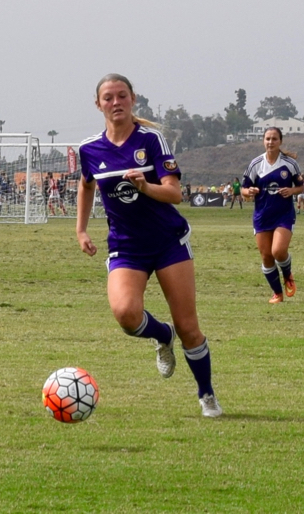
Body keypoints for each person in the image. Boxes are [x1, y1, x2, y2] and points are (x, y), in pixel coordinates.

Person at [76, 73, 221, 417]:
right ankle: (161, 335)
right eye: (108, 98)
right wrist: (81, 230)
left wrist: (145, 186)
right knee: (126, 315)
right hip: (126, 248)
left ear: (133, 99)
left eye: (122, 96)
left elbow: (175, 193)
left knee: (189, 327)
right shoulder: (89, 149)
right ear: (98, 105)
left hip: (168, 242)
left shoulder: (152, 140)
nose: (116, 103)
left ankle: (207, 395)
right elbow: (85, 185)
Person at [241, 127, 304, 304]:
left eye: (274, 139)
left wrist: (292, 190)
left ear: (280, 141)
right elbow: (243, 190)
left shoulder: (289, 164)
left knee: (278, 251)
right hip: (262, 216)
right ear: (263, 141)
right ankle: (277, 293)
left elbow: (302, 187)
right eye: (268, 139)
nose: (270, 142)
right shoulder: (255, 164)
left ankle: (287, 275)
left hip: (283, 215)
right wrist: (249, 191)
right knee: (266, 256)